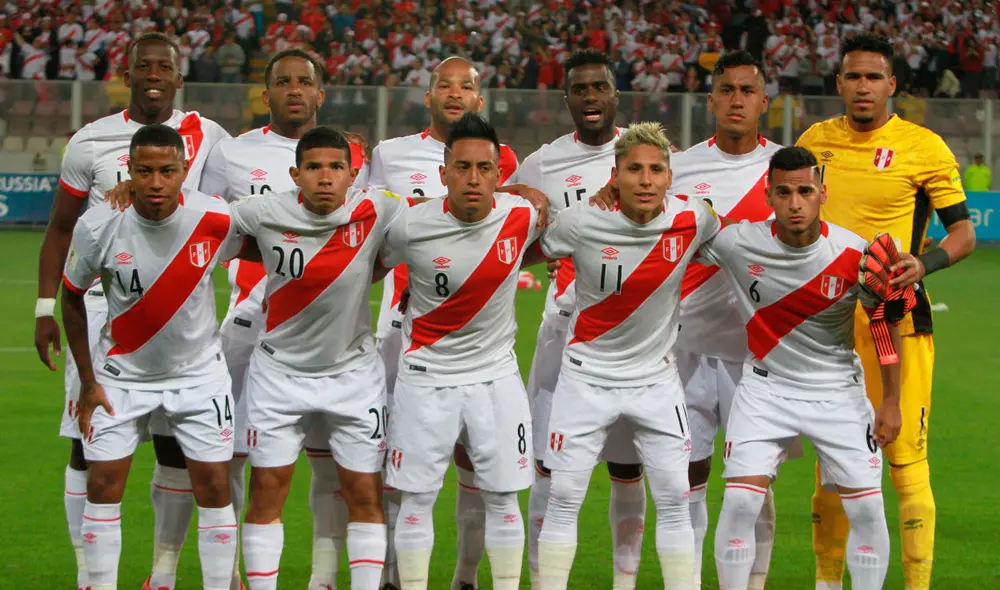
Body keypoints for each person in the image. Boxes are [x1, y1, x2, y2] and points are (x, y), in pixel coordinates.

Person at [33, 31, 229, 590]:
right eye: (143, 67)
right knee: (85, 441)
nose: (152, 76)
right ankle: (86, 573)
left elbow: (227, 209)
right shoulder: (90, 141)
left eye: (162, 68)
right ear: (128, 72)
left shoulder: (207, 137)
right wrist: (47, 305)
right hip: (99, 307)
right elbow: (63, 227)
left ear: (177, 77)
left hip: (177, 310)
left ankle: (162, 573)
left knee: (175, 442)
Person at [796, 33, 977, 590]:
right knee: (832, 465)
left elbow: (965, 233)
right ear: (839, 84)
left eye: (874, 77)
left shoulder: (923, 146)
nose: (863, 87)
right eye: (853, 76)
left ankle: (916, 585)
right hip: (824, 325)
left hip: (894, 322)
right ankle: (829, 581)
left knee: (903, 461)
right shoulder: (814, 141)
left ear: (892, 85)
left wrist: (923, 265)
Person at [199, 49, 363, 590]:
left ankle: (323, 577)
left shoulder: (354, 153)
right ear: (265, 93)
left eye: (305, 82)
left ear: (321, 93)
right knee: (239, 454)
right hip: (251, 326)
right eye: (283, 82)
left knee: (328, 462)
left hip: (331, 333)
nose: (295, 90)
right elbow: (204, 227)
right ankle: (238, 576)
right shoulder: (233, 153)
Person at [354, 55, 519, 590]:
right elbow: (366, 231)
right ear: (428, 96)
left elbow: (524, 222)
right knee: (401, 477)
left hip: (486, 349)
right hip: (406, 333)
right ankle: (392, 577)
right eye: (443, 86)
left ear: (479, 99)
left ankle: (466, 577)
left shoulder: (506, 163)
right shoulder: (391, 155)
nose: (454, 94)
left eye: (465, 86)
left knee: (482, 473)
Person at [705, 146, 902, 590]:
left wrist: (890, 400)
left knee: (868, 510)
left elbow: (883, 325)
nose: (795, 203)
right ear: (768, 195)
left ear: (822, 193)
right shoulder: (738, 243)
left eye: (805, 191)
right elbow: (675, 240)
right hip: (764, 390)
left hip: (838, 392)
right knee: (738, 503)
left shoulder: (854, 254)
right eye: (784, 192)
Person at [535, 122, 722, 590]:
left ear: (669, 176)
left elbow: (730, 240)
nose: (645, 179)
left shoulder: (692, 219)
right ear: (614, 175)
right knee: (563, 498)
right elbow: (522, 253)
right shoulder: (581, 220)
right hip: (585, 379)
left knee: (676, 500)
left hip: (656, 383)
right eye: (633, 169)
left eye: (656, 169)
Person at [61, 124, 243, 590]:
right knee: (102, 487)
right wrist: (87, 380)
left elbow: (273, 242)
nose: (156, 183)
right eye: (144, 172)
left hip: (200, 377)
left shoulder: (216, 218)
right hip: (121, 375)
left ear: (185, 171)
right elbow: (71, 296)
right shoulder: (98, 223)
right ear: (130, 171)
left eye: (167, 171)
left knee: (216, 490)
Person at [229, 126, 405, 590]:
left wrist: (518, 192)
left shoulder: (378, 206)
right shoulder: (264, 211)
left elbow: (445, 212)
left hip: (353, 375)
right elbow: (195, 219)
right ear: (296, 174)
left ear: (353, 174)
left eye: (335, 167)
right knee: (268, 489)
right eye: (313, 167)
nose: (325, 177)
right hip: (278, 374)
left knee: (363, 491)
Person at [507, 49, 648, 590]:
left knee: (626, 468)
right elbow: (509, 229)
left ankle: (625, 581)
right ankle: (544, 581)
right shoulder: (542, 162)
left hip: (636, 335)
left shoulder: (645, 152)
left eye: (600, 88)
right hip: (563, 331)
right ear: (566, 98)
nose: (590, 97)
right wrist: (517, 193)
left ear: (616, 95)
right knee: (549, 466)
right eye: (579, 89)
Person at [380, 114, 539, 590]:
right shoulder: (409, 226)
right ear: (443, 171)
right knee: (416, 498)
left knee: (505, 496)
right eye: (463, 167)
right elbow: (365, 266)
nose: (473, 178)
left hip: (496, 377)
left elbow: (544, 240)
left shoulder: (521, 215)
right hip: (426, 377)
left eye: (484, 168)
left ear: (498, 173)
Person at [668, 51, 781, 590]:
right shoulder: (681, 167)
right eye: (727, 90)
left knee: (753, 483)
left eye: (747, 90)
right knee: (686, 476)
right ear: (711, 100)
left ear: (765, 101)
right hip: (687, 342)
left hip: (759, 353)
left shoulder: (788, 168)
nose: (737, 100)